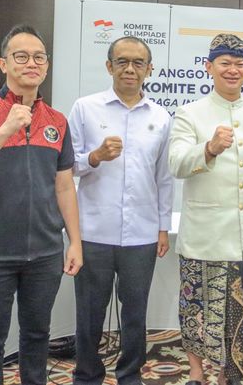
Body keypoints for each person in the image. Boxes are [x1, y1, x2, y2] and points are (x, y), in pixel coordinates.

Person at [0, 24, 83, 385]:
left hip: (44, 255)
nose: (31, 63)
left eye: (39, 57)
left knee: (37, 338)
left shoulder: (57, 122)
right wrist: (4, 130)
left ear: (47, 65)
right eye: (21, 56)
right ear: (3, 64)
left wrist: (75, 243)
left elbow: (65, 187)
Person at [168, 34, 243, 385]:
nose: (232, 70)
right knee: (197, 306)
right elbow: (176, 163)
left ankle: (229, 372)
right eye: (225, 63)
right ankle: (197, 372)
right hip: (205, 231)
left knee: (240, 308)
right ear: (209, 67)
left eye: (239, 63)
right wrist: (209, 148)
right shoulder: (190, 113)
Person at [68, 36, 174, 385]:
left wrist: (161, 227)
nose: (130, 69)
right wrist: (94, 157)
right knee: (89, 312)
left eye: (138, 63)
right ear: (109, 65)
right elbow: (66, 169)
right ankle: (87, 375)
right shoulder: (86, 108)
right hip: (93, 230)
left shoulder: (160, 116)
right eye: (122, 61)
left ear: (149, 69)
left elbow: (164, 177)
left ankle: (130, 374)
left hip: (141, 233)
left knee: (135, 313)